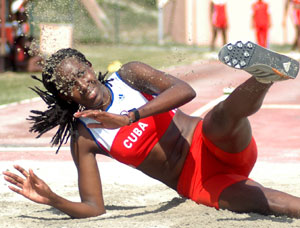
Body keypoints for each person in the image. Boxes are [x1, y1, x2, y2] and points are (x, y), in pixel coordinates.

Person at [3, 41, 300, 219]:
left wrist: (130, 117)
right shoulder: (86, 136)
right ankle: (265, 74)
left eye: (81, 74)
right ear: (66, 96)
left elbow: (185, 91)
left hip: (212, 142)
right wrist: (53, 199)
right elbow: (94, 207)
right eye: (71, 86)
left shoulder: (129, 76)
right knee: (277, 204)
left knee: (219, 116)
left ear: (90, 67)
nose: (82, 85)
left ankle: (265, 75)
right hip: (199, 183)